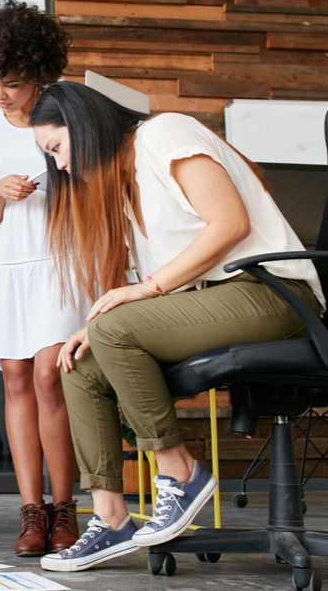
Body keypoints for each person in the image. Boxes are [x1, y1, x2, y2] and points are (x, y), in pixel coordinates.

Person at [30, 81, 325, 573]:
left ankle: (180, 472)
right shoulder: (124, 190)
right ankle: (110, 517)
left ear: (84, 125)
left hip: (274, 296)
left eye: (57, 147)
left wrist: (139, 296)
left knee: (114, 330)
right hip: (220, 304)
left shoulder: (163, 133)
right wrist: (100, 326)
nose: (60, 165)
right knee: (81, 363)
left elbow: (230, 224)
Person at [0, 0, 87, 557]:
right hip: (10, 265)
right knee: (14, 380)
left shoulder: (67, 113)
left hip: (61, 263)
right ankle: (31, 511)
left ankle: (66, 508)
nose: (1, 93)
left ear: (39, 71)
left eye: (11, 82)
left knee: (47, 379)